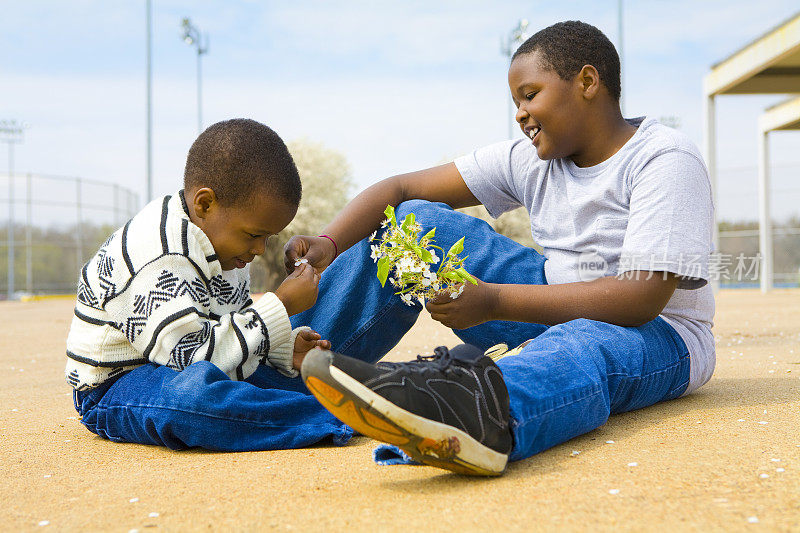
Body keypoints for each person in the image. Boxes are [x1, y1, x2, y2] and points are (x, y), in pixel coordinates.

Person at [287, 21, 715, 476]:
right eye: (516, 102)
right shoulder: (529, 158)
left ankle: (473, 412)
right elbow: (400, 187)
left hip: (659, 333)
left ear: (588, 82)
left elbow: (641, 299)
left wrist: (491, 300)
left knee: (580, 344)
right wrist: (329, 243)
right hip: (547, 298)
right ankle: (280, 358)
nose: (520, 114)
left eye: (530, 95)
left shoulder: (663, 158)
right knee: (410, 223)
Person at [67, 118, 353, 451]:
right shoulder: (160, 252)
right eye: (254, 235)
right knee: (193, 398)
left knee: (287, 374)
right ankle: (339, 417)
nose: (260, 249)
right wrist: (281, 306)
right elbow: (191, 359)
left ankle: (372, 397)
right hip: (117, 386)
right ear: (205, 204)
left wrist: (283, 349)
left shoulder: (225, 246)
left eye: (267, 237)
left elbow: (228, 329)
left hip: (189, 361)